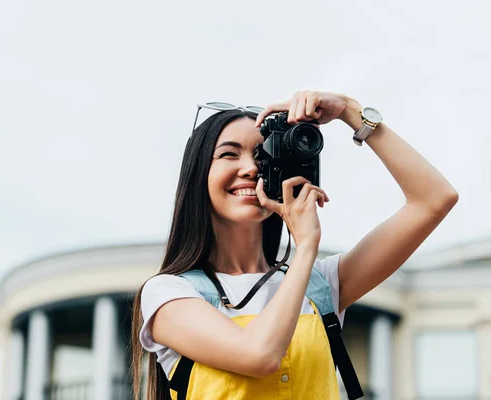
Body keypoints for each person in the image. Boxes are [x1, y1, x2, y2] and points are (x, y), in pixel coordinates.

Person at [130, 91, 459, 400]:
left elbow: (433, 200)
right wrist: (305, 248)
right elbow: (259, 354)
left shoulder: (319, 284)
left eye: (261, 154)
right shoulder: (169, 294)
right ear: (199, 173)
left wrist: (349, 110)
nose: (249, 168)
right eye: (229, 154)